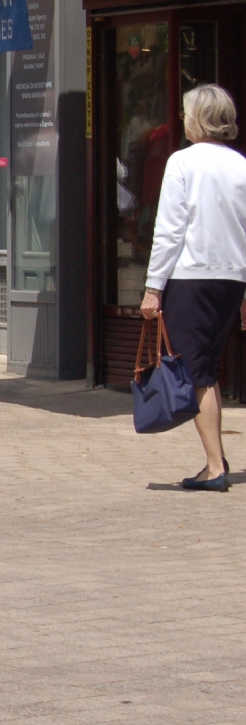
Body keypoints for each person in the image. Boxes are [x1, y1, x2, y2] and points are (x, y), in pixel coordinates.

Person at [140, 83, 246, 491]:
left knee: (196, 370)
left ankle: (215, 468)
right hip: (230, 278)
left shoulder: (183, 162)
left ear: (198, 119)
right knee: (207, 367)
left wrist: (153, 287)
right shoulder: (239, 164)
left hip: (192, 278)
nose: (183, 119)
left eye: (186, 113)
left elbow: (169, 230)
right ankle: (216, 458)